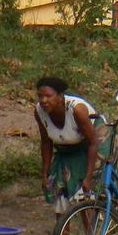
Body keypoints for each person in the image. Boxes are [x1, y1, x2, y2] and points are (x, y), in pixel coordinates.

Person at [34, 77, 105, 217]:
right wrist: (45, 173)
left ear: (60, 97)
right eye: (40, 96)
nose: (43, 100)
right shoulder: (39, 112)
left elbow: (93, 143)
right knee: (60, 190)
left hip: (93, 143)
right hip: (66, 148)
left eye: (48, 96)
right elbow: (46, 142)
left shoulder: (76, 110)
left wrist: (88, 178)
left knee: (82, 195)